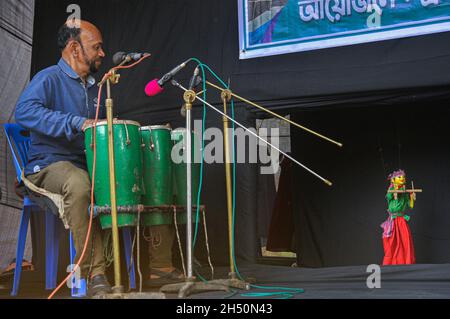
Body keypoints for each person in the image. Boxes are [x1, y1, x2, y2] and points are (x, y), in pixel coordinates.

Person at [15, 19, 111, 297]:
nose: (103, 53)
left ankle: (157, 265)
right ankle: (96, 274)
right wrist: (76, 122)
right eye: (97, 47)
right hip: (46, 166)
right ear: (74, 48)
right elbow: (25, 112)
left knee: (127, 180)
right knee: (79, 184)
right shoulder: (48, 78)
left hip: (83, 165)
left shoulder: (95, 88)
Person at [381, 169, 416, 265]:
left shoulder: (404, 192)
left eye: (403, 177)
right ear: (393, 180)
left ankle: (406, 262)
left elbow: (410, 205)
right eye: (399, 177)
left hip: (401, 220)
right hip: (393, 220)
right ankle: (390, 263)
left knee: (406, 240)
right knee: (392, 242)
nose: (402, 178)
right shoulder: (391, 189)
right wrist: (395, 191)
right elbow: (389, 197)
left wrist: (412, 197)